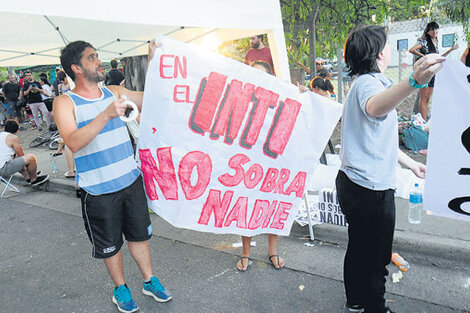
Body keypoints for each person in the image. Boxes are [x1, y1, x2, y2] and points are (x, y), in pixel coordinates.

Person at [54, 40, 172, 313]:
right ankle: (120, 288)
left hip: (130, 181)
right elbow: (72, 141)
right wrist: (106, 115)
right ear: (77, 68)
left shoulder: (115, 92)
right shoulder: (65, 102)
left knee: (139, 237)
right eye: (92, 57)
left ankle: (148, 280)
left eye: (97, 56)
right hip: (97, 190)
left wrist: (153, 62)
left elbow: (152, 97)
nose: (99, 61)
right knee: (110, 246)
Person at [337, 25, 444, 313]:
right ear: (378, 52)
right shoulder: (369, 84)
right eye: (386, 44)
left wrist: (411, 165)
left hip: (357, 183)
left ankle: (356, 303)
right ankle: (375, 308)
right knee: (376, 255)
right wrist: (413, 81)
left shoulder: (367, 82)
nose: (390, 49)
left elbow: (378, 140)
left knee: (359, 247)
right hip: (368, 189)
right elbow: (375, 108)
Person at [235, 60, 284, 272]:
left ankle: (272, 250)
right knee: (248, 205)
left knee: (273, 204)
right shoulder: (243, 101)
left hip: (274, 161)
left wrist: (302, 94)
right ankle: (245, 252)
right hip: (250, 161)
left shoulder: (283, 100)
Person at [409, 21, 458, 120]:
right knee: (423, 99)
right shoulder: (424, 42)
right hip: (425, 72)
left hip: (433, 72)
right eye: (432, 29)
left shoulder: (436, 43)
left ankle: (424, 119)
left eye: (436, 29)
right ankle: (423, 122)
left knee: (427, 99)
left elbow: (438, 57)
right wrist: (425, 57)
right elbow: (412, 50)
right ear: (428, 31)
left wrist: (450, 50)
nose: (434, 31)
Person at [0, 119, 49, 186]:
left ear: (4, 128)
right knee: (30, 158)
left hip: (2, 166)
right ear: (17, 131)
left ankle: (27, 176)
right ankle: (34, 179)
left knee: (15, 158)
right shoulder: (13, 137)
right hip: (3, 169)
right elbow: (21, 155)